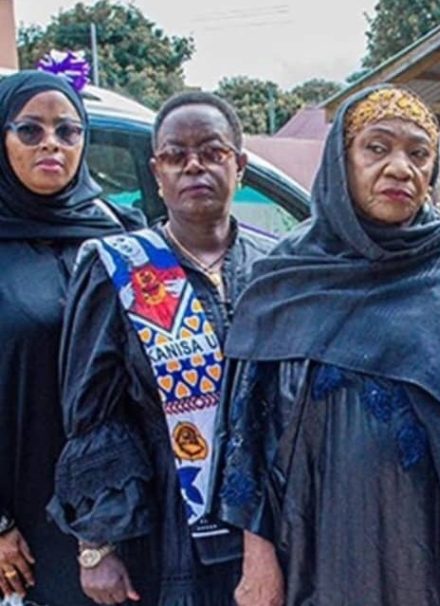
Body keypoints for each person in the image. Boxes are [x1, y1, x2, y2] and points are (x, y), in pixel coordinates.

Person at [218, 86, 440, 606]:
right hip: (310, 553)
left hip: (437, 555)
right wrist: (257, 559)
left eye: (418, 153)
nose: (399, 168)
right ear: (340, 159)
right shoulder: (286, 278)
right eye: (376, 147)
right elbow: (247, 436)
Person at [48, 91, 274, 606]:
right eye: (176, 155)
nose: (194, 166)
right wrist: (96, 545)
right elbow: (92, 413)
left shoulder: (277, 267)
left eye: (212, 152)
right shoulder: (121, 269)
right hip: (167, 522)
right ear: (157, 172)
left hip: (269, 518)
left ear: (239, 165)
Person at [0, 70, 143, 605]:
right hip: (22, 524)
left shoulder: (121, 235)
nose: (51, 144)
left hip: (121, 510)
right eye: (30, 130)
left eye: (68, 130)